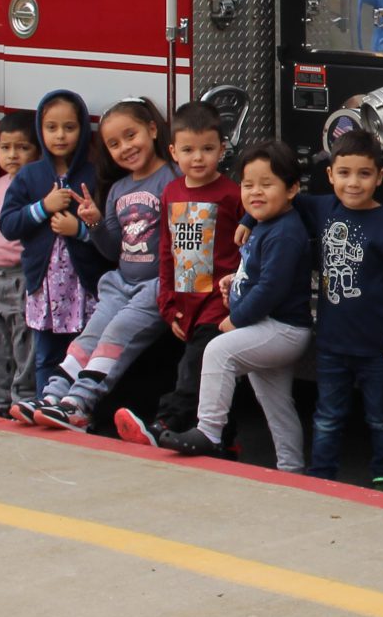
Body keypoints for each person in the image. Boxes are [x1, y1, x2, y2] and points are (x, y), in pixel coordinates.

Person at [124, 139, 312, 471]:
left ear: (292, 188)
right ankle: (291, 468)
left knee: (218, 350)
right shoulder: (266, 223)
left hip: (282, 329)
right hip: (273, 328)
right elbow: (258, 274)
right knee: (276, 404)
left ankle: (209, 432)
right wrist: (234, 283)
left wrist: (235, 319)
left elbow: (271, 287)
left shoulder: (284, 233)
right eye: (248, 184)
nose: (255, 192)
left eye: (267, 184)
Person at [26, 97, 172, 426]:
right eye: (114, 144)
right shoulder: (118, 189)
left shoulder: (173, 179)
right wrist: (93, 223)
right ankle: (53, 394)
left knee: (116, 333)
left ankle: (80, 403)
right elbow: (112, 250)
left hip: (155, 285)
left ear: (151, 129)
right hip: (121, 282)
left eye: (130, 135)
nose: (125, 148)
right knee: (90, 334)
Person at [302, 128, 383, 490]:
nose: (353, 183)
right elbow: (278, 200)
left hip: (377, 348)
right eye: (345, 173)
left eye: (364, 174)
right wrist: (247, 220)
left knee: (381, 417)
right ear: (330, 174)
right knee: (327, 417)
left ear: (380, 176)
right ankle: (322, 476)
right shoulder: (322, 207)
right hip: (332, 345)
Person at [131, 100, 246, 437]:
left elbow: (247, 248)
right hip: (185, 301)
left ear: (222, 149)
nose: (198, 158)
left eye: (207, 149)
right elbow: (166, 250)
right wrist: (168, 305)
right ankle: (226, 439)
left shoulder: (232, 195)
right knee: (214, 377)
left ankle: (167, 420)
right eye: (189, 150)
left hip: (218, 303)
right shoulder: (171, 192)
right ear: (173, 151)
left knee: (194, 366)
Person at [0, 90, 104, 413]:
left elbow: (107, 236)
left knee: (85, 353)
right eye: (51, 127)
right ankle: (45, 408)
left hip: (82, 286)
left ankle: (81, 410)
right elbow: (9, 224)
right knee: (45, 354)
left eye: (69, 127)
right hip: (44, 287)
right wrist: (43, 207)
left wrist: (80, 229)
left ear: (83, 129)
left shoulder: (94, 174)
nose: (60, 135)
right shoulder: (30, 174)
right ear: (40, 131)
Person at [0, 111, 39, 419]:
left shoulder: (36, 186)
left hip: (21, 276)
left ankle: (23, 400)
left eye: (22, 147)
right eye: (5, 147)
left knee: (24, 343)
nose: (12, 155)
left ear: (37, 150)